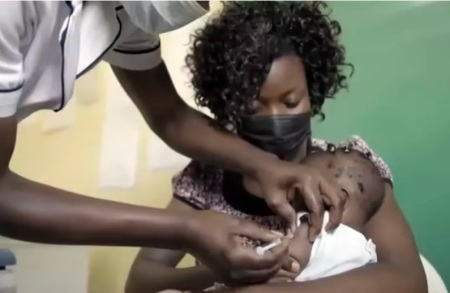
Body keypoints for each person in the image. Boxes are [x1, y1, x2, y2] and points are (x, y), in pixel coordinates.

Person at [0, 1, 347, 284]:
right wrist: (187, 231)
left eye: (290, 102)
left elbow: (170, 116)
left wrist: (265, 166)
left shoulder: (124, 14)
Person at [125, 2, 426, 293]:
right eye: (253, 106)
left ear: (313, 92)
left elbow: (410, 280)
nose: (274, 118)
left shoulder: (350, 173)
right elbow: (140, 283)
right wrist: (219, 270)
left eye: (291, 102)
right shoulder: (208, 179)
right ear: (229, 104)